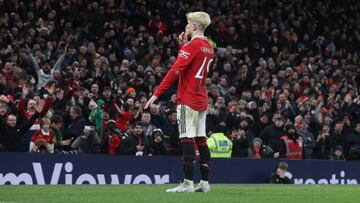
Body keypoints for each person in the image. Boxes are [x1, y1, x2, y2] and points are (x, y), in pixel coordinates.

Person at [145, 11, 214, 192]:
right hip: (201, 98)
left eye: (188, 23)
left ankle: (188, 183)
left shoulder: (192, 46)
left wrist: (156, 93)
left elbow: (176, 70)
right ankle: (205, 183)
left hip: (188, 98)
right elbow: (189, 68)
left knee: (186, 137)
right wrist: (184, 45)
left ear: (193, 27)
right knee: (201, 139)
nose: (186, 26)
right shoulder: (208, 46)